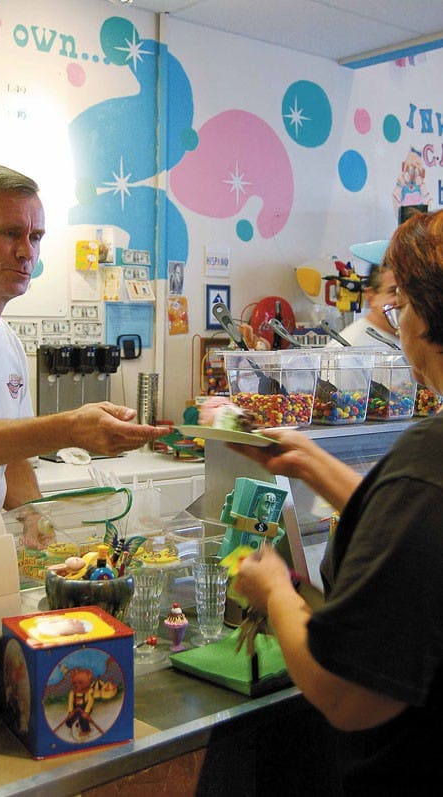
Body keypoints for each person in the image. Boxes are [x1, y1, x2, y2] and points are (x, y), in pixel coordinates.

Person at [232, 210, 443, 795]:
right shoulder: (424, 478)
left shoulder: (430, 460)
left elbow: (348, 695)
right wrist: (307, 461)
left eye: (399, 308)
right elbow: (415, 526)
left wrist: (276, 589)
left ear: (425, 317)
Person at [0, 164, 168, 516]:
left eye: (35, 237)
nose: (26, 252)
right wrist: (70, 428)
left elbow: (14, 463)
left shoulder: (10, 345)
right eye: (10, 233)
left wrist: (37, 523)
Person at [326, 262, 399, 348]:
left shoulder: (409, 340)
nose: (406, 300)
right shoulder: (349, 349)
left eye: (412, 292)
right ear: (371, 297)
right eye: (394, 292)